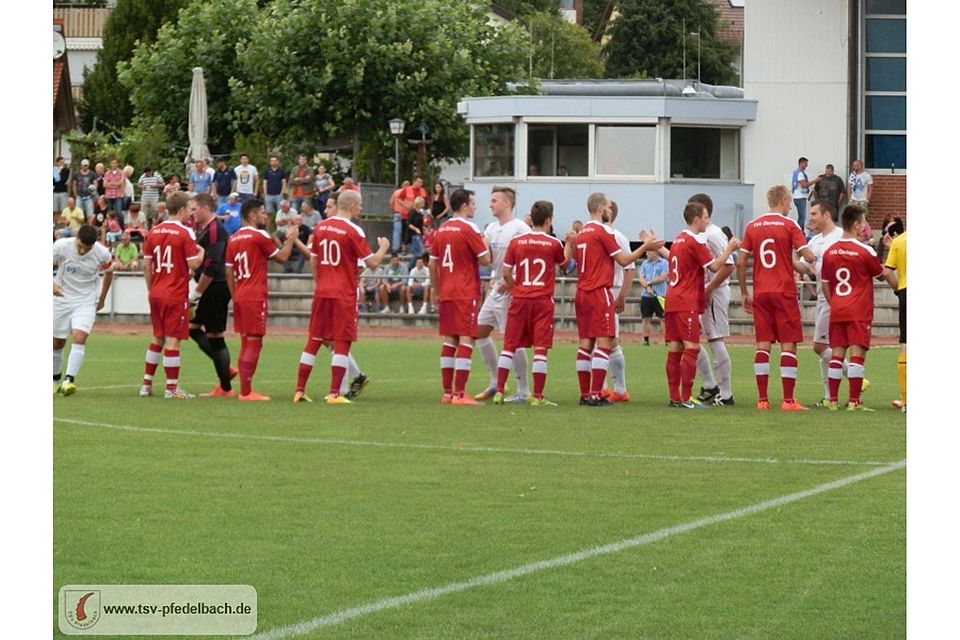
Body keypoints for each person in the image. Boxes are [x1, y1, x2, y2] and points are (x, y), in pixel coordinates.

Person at [566, 193, 663, 406]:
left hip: (581, 292)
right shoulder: (603, 231)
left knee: (585, 344)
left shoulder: (582, 233)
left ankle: (585, 394)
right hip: (599, 291)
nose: (611, 210)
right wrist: (645, 246)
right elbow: (624, 260)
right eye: (609, 207)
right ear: (601, 208)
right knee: (605, 341)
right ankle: (595, 394)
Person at [294, 190, 390, 404]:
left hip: (323, 291)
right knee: (341, 341)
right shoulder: (353, 230)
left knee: (314, 340)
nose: (361, 209)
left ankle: (299, 390)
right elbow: (372, 263)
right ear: (352, 206)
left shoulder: (321, 227)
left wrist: (320, 283)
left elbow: (313, 260)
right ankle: (335, 393)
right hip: (342, 293)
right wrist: (383, 247)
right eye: (360, 205)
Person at [736, 185, 815, 411]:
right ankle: (788, 400)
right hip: (784, 291)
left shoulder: (752, 226)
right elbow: (807, 255)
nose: (790, 206)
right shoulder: (790, 225)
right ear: (782, 201)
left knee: (763, 344)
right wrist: (810, 252)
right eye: (789, 202)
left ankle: (762, 400)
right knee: (788, 344)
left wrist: (744, 291)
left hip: (761, 292)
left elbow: (741, 262)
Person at [664, 202, 740, 409]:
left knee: (675, 348)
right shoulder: (695, 241)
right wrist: (730, 249)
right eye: (706, 217)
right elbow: (716, 266)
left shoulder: (678, 240)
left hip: (672, 298)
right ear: (696, 220)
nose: (708, 220)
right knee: (692, 347)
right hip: (686, 300)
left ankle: (674, 397)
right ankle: (687, 398)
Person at [820, 205, 894, 410]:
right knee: (857, 355)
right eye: (863, 222)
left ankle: (832, 401)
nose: (865, 226)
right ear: (855, 224)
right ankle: (854, 401)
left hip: (838, 308)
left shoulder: (829, 252)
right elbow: (881, 274)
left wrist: (833, 302)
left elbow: (825, 283)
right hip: (858, 310)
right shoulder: (865, 250)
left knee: (836, 354)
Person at [494, 200, 568, 406]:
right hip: (542, 301)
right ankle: (537, 396)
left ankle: (499, 392)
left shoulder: (517, 242)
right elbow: (565, 266)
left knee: (509, 345)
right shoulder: (553, 244)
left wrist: (514, 287)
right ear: (549, 220)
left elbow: (506, 271)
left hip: (520, 299)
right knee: (541, 349)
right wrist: (569, 244)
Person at [224, 198, 297, 401]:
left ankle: (245, 389)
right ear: (252, 215)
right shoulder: (259, 236)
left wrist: (234, 294)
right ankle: (246, 392)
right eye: (263, 212)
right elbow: (281, 258)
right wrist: (291, 239)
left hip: (240, 294)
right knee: (254, 342)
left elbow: (228, 271)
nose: (266, 216)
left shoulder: (234, 238)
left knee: (246, 341)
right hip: (255, 295)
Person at [140, 191, 205, 399]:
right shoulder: (186, 233)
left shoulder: (154, 231)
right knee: (173, 340)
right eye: (190, 210)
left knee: (157, 337)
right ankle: (171, 388)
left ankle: (146, 385)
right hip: (175, 294)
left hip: (156, 293)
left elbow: (146, 265)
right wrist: (202, 253)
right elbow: (194, 263)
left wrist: (151, 289)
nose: (191, 215)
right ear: (182, 209)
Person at [429, 188, 491, 404]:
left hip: (446, 290)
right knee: (466, 338)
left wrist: (436, 290)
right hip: (465, 290)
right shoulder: (469, 228)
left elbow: (432, 263)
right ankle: (460, 393)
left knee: (450, 339)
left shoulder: (441, 229)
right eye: (472, 203)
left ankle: (447, 393)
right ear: (464, 205)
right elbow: (485, 260)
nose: (475, 207)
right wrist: (484, 240)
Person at [473, 187, 532, 403]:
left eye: (494, 200)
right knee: (479, 331)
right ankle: (496, 381)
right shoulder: (491, 228)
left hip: (510, 290)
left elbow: (529, 259)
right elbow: (486, 256)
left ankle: (523, 390)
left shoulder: (520, 228)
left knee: (512, 339)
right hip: (496, 287)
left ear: (507, 203)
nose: (490, 204)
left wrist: (514, 282)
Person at [687, 193, 737, 406]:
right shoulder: (699, 234)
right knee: (693, 339)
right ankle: (710, 385)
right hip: (702, 290)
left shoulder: (714, 234)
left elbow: (729, 265)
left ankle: (726, 394)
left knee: (715, 339)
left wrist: (710, 288)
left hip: (714, 292)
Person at [53, 225, 113, 395]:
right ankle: (54, 379)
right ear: (76, 237)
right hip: (62, 298)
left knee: (79, 337)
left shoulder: (102, 254)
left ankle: (69, 381)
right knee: (57, 342)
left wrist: (102, 298)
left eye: (86, 249)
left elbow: (109, 273)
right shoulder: (61, 246)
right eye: (79, 246)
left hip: (86, 300)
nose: (81, 250)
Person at [188, 193, 236, 398]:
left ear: (205, 209)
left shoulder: (216, 230)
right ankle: (226, 369)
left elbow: (214, 265)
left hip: (215, 288)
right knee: (192, 328)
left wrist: (196, 293)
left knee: (215, 335)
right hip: (208, 287)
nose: (191, 214)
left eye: (193, 209)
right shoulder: (205, 229)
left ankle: (225, 387)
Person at [804, 199, 846, 406]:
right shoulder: (814, 241)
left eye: (814, 214)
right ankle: (829, 397)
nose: (810, 218)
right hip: (822, 297)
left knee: (819, 346)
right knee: (826, 347)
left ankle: (856, 376)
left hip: (835, 298)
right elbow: (804, 267)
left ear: (826, 215)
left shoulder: (840, 237)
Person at [600, 201, 634, 403]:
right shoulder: (596, 233)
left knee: (609, 339)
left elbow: (629, 267)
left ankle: (617, 389)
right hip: (599, 291)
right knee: (603, 340)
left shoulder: (617, 237)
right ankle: (607, 388)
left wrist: (621, 295)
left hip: (610, 290)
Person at [883, 218, 906, 412]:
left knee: (906, 345)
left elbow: (887, 271)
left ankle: (906, 399)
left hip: (907, 291)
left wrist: (898, 290)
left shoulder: (900, 241)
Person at [637, 250, 668, 346]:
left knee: (663, 318)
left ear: (656, 252)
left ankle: (667, 340)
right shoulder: (644, 263)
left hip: (660, 295)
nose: (646, 254)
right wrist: (647, 287)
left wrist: (649, 283)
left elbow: (663, 277)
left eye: (649, 252)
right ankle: (646, 340)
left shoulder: (664, 263)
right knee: (646, 318)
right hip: (646, 295)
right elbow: (641, 278)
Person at [791, 157, 819, 232]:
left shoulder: (796, 172)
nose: (806, 166)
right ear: (801, 163)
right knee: (802, 217)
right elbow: (804, 184)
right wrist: (815, 181)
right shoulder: (800, 173)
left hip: (798, 197)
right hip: (800, 197)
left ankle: (799, 231)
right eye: (805, 164)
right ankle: (800, 232)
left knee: (801, 216)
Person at [405, 196, 427, 269]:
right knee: (420, 252)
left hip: (419, 235)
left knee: (418, 254)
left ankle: (412, 267)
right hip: (414, 235)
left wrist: (422, 228)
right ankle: (410, 267)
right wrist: (416, 229)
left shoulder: (420, 213)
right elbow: (409, 223)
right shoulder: (413, 212)